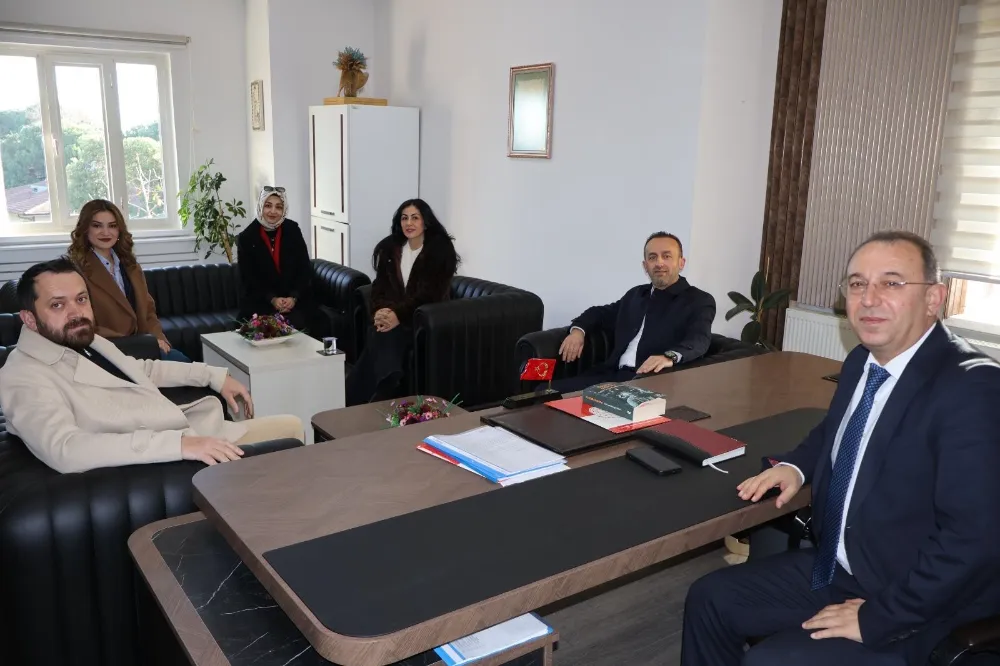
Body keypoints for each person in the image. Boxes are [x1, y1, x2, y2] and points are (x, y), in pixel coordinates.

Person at [681, 230, 1000, 666]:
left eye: (891, 283)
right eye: (856, 283)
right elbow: (837, 430)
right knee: (710, 599)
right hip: (847, 568)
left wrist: (878, 618)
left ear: (933, 298)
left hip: (924, 604)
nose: (869, 299)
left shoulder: (973, 389)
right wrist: (796, 467)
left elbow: (975, 542)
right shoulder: (863, 361)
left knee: (769, 661)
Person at [0, 258, 305, 474]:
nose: (76, 312)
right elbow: (66, 449)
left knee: (293, 426)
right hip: (173, 460)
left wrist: (212, 376)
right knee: (292, 434)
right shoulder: (23, 375)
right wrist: (181, 445)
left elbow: (140, 369)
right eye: (57, 304)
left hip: (191, 434)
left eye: (81, 299)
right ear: (29, 319)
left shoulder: (83, 340)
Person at [550, 232, 715, 393]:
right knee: (545, 393)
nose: (659, 263)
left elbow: (699, 340)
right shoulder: (636, 295)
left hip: (649, 381)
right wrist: (578, 332)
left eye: (666, 256)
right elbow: (600, 313)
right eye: (652, 257)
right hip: (610, 375)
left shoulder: (699, 300)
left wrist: (668, 357)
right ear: (645, 266)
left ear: (681, 263)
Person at [345, 199, 459, 405]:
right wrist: (380, 311)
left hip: (425, 319)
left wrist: (398, 315)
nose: (409, 223)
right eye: (404, 218)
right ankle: (388, 382)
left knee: (383, 335)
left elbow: (430, 295)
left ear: (425, 221)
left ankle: (355, 397)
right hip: (394, 316)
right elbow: (379, 287)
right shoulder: (391, 248)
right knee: (381, 330)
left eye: (415, 218)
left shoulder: (440, 251)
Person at [68, 199, 189, 362]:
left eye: (112, 226)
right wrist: (137, 343)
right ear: (85, 229)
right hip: (108, 351)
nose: (106, 232)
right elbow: (80, 323)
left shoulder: (131, 266)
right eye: (97, 226)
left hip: (144, 345)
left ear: (119, 230)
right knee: (182, 364)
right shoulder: (75, 272)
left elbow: (148, 310)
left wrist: (158, 338)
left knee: (185, 365)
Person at [237, 186, 323, 336]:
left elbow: (304, 268)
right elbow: (249, 278)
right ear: (260, 206)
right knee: (264, 327)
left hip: (294, 299)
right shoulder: (247, 237)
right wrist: (272, 299)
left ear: (284, 210)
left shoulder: (292, 230)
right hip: (261, 301)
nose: (273, 211)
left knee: (316, 321)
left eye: (278, 207)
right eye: (268, 205)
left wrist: (293, 297)